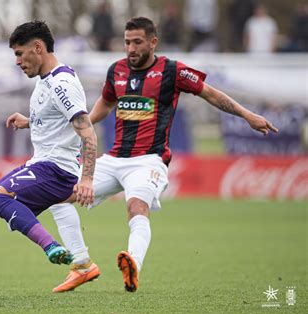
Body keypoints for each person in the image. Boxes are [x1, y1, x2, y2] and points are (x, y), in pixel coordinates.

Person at [50, 17, 278, 293]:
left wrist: (247, 115)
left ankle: (132, 263)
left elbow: (211, 94)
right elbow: (103, 106)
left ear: (152, 42)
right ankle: (82, 264)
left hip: (148, 160)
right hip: (112, 160)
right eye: (127, 42)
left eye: (137, 42)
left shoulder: (173, 71)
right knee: (59, 195)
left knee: (136, 206)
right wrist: (65, 126)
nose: (130, 48)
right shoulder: (117, 71)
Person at [0, 20, 99, 298]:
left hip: (57, 171)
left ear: (38, 47)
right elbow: (59, 120)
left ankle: (50, 246)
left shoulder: (62, 83)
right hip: (41, 164)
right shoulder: (47, 80)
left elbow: (88, 134)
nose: (18, 61)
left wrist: (87, 179)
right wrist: (30, 121)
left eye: (20, 53)